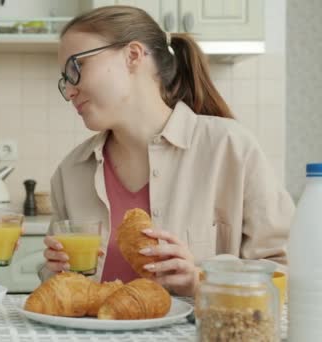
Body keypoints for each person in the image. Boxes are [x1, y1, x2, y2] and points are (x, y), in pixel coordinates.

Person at [39, 5, 294, 296]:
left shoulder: (230, 148)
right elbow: (57, 289)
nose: (69, 90)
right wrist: (55, 271)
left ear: (133, 55)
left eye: (76, 68)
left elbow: (287, 272)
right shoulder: (70, 173)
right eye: (64, 79)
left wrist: (200, 281)